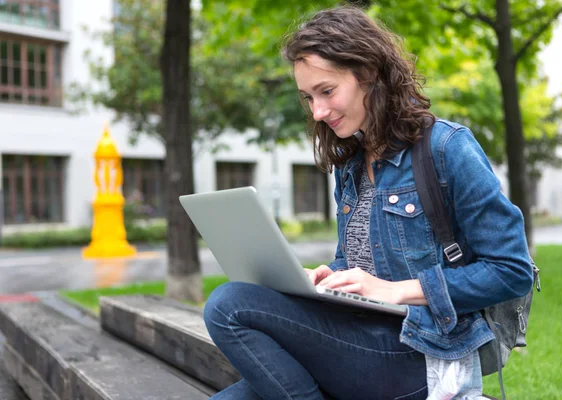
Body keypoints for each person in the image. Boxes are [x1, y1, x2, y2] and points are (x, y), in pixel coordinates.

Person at [203, 6, 533, 400]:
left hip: (423, 354)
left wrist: (397, 290)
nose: (318, 112)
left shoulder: (447, 147)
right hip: (360, 341)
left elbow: (511, 271)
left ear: (369, 74)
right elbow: (359, 263)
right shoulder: (352, 164)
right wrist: (332, 277)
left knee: (228, 304)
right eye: (308, 97)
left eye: (327, 91)